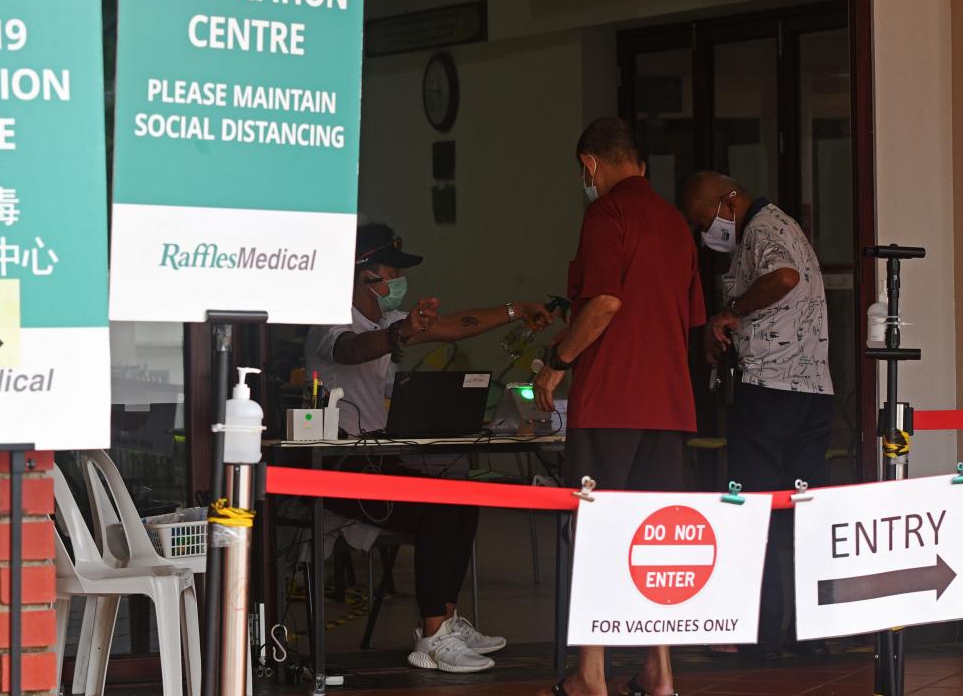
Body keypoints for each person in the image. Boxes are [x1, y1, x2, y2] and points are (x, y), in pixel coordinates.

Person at [304, 221, 551, 674]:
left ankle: (448, 619)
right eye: (390, 270)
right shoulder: (331, 319)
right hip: (338, 464)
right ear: (363, 274)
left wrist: (517, 310)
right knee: (439, 507)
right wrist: (399, 334)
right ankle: (433, 636)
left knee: (464, 497)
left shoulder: (388, 321)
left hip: (379, 458)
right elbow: (352, 350)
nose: (398, 280)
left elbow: (454, 327)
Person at [533, 118, 704, 696]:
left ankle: (591, 674)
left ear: (590, 163)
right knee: (655, 540)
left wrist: (557, 359)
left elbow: (604, 301)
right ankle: (661, 671)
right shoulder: (677, 224)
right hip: (671, 404)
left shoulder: (606, 215)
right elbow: (689, 317)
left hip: (611, 400)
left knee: (598, 533)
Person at [680, 170, 833, 658]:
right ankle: (811, 635)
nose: (707, 233)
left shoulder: (761, 229)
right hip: (811, 391)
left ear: (727, 200)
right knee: (800, 515)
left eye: (704, 220)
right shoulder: (783, 223)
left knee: (755, 511)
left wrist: (731, 312)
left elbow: (783, 277)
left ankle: (759, 635)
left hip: (770, 391)